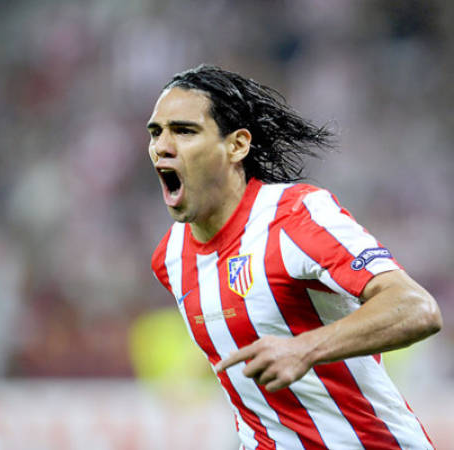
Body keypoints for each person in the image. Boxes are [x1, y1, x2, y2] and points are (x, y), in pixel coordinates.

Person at [148, 64, 442, 450]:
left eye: (185, 131)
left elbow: (418, 308)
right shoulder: (169, 258)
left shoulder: (296, 216)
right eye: (156, 132)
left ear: (237, 145)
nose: (162, 146)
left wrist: (305, 347)